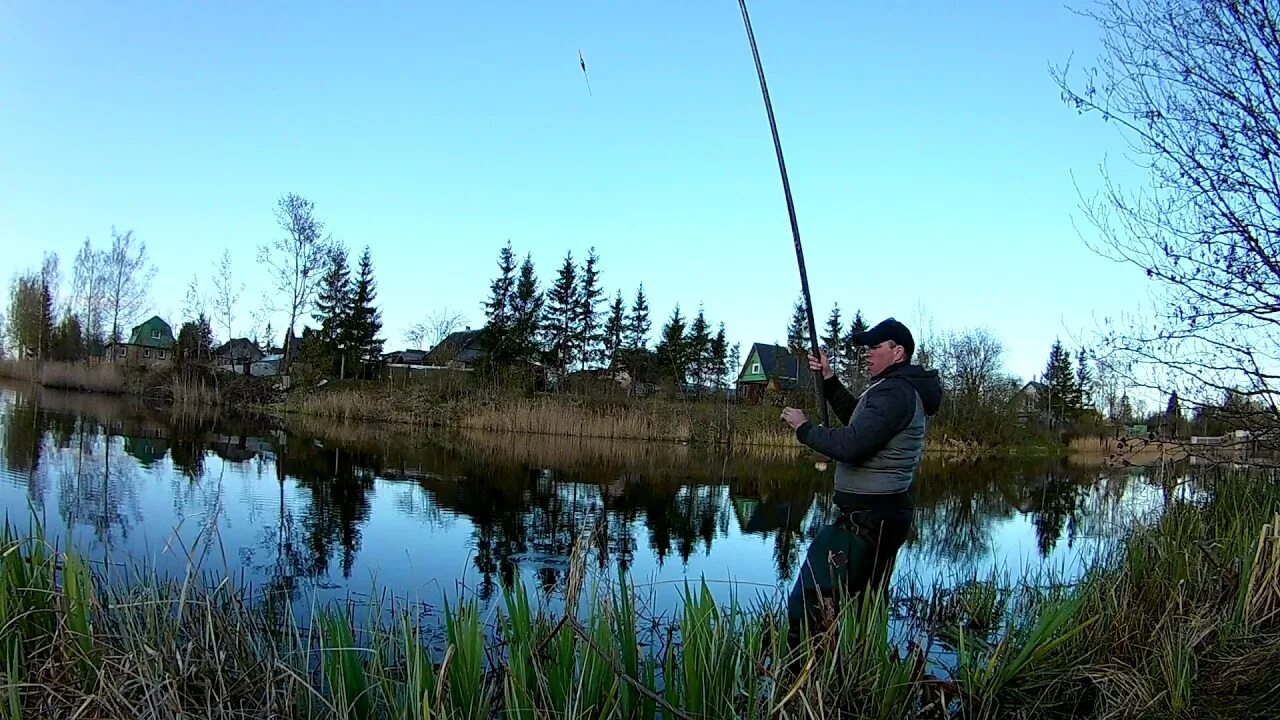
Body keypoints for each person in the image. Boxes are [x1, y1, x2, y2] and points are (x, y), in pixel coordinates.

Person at [779, 317, 942, 642]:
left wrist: (804, 428)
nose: (868, 354)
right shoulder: (896, 389)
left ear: (898, 352)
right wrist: (828, 379)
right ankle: (854, 668)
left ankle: (801, 668)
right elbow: (860, 423)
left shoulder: (896, 392)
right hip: (879, 517)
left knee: (811, 595)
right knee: (861, 604)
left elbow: (852, 445)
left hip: (869, 520)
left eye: (875, 347)